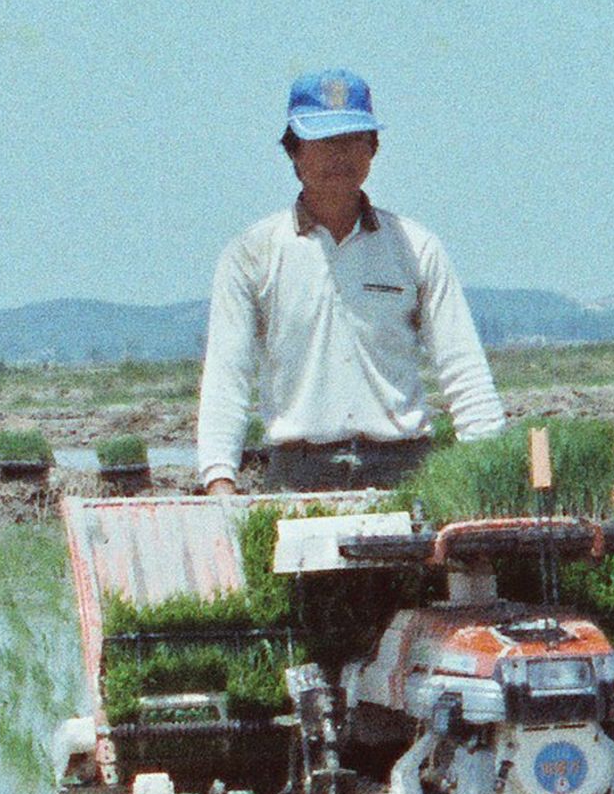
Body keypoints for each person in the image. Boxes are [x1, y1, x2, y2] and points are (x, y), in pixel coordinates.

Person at [196, 70, 506, 495]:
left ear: (372, 150)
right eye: (323, 142)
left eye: (351, 140)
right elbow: (226, 378)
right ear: (294, 151)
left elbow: (464, 369)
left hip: (405, 470)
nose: (338, 156)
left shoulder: (416, 248)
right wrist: (219, 480)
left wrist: (486, 475)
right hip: (296, 475)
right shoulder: (251, 255)